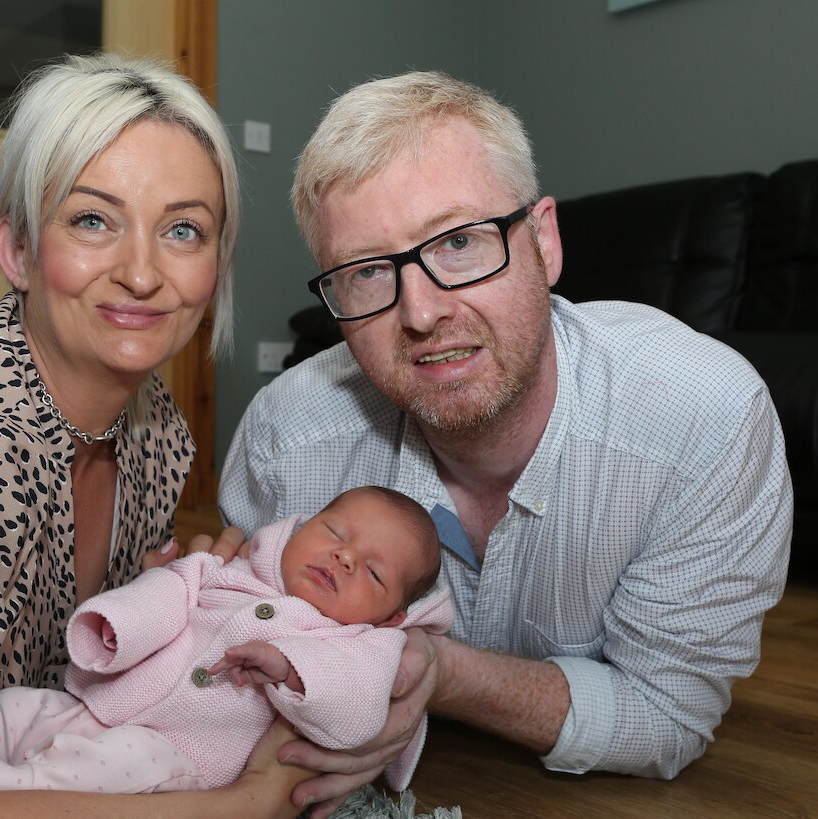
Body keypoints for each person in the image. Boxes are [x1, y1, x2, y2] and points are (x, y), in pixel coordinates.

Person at [219, 70, 793, 816]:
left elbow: (668, 713)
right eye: (366, 273)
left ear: (544, 241)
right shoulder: (288, 439)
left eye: (459, 242)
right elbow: (227, 639)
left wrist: (437, 670)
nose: (422, 313)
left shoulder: (704, 420)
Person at [0, 53, 310, 818]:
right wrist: (244, 801)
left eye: (183, 229)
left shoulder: (153, 428)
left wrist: (186, 604)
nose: (142, 272)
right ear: (20, 250)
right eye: (93, 219)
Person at [0, 485, 451, 795]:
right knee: (12, 707)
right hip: (99, 707)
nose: (344, 557)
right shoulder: (230, 566)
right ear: (300, 527)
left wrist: (292, 668)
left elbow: (358, 708)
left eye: (373, 571)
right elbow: (169, 589)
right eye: (334, 532)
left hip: (177, 761)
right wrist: (120, 626)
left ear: (393, 617)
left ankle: (3, 789)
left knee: (105, 767)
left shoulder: (365, 644)